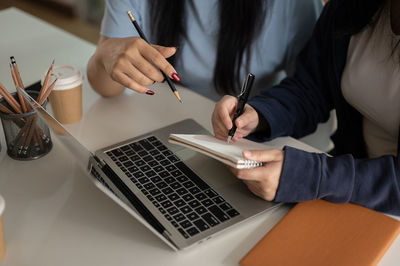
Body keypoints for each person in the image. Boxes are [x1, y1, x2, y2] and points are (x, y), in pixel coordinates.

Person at [212, 0, 400, 215]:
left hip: (382, 203)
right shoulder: (349, 7)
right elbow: (311, 89)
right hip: (343, 189)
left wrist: (312, 176)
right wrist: (259, 116)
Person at [87, 0, 322, 100]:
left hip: (251, 136)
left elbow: (310, 95)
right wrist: (107, 55)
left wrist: (261, 118)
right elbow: (105, 89)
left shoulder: (293, 5)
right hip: (166, 123)